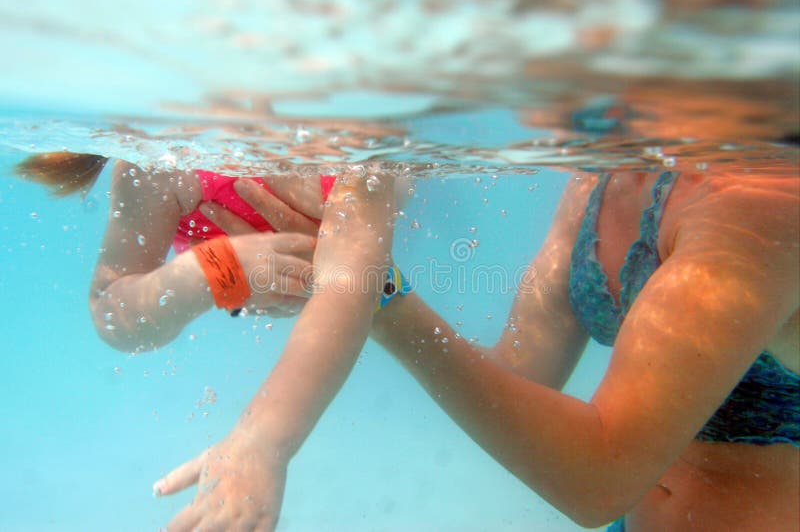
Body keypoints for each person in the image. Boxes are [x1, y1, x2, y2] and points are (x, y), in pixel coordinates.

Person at [207, 170, 799, 531]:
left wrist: (384, 300)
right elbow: (521, 374)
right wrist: (361, 283)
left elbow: (600, 476)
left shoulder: (761, 199)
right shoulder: (601, 182)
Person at [15, 152, 410, 531]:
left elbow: (351, 286)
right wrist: (210, 273)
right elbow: (109, 309)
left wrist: (260, 441)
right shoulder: (161, 154)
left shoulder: (353, 144)